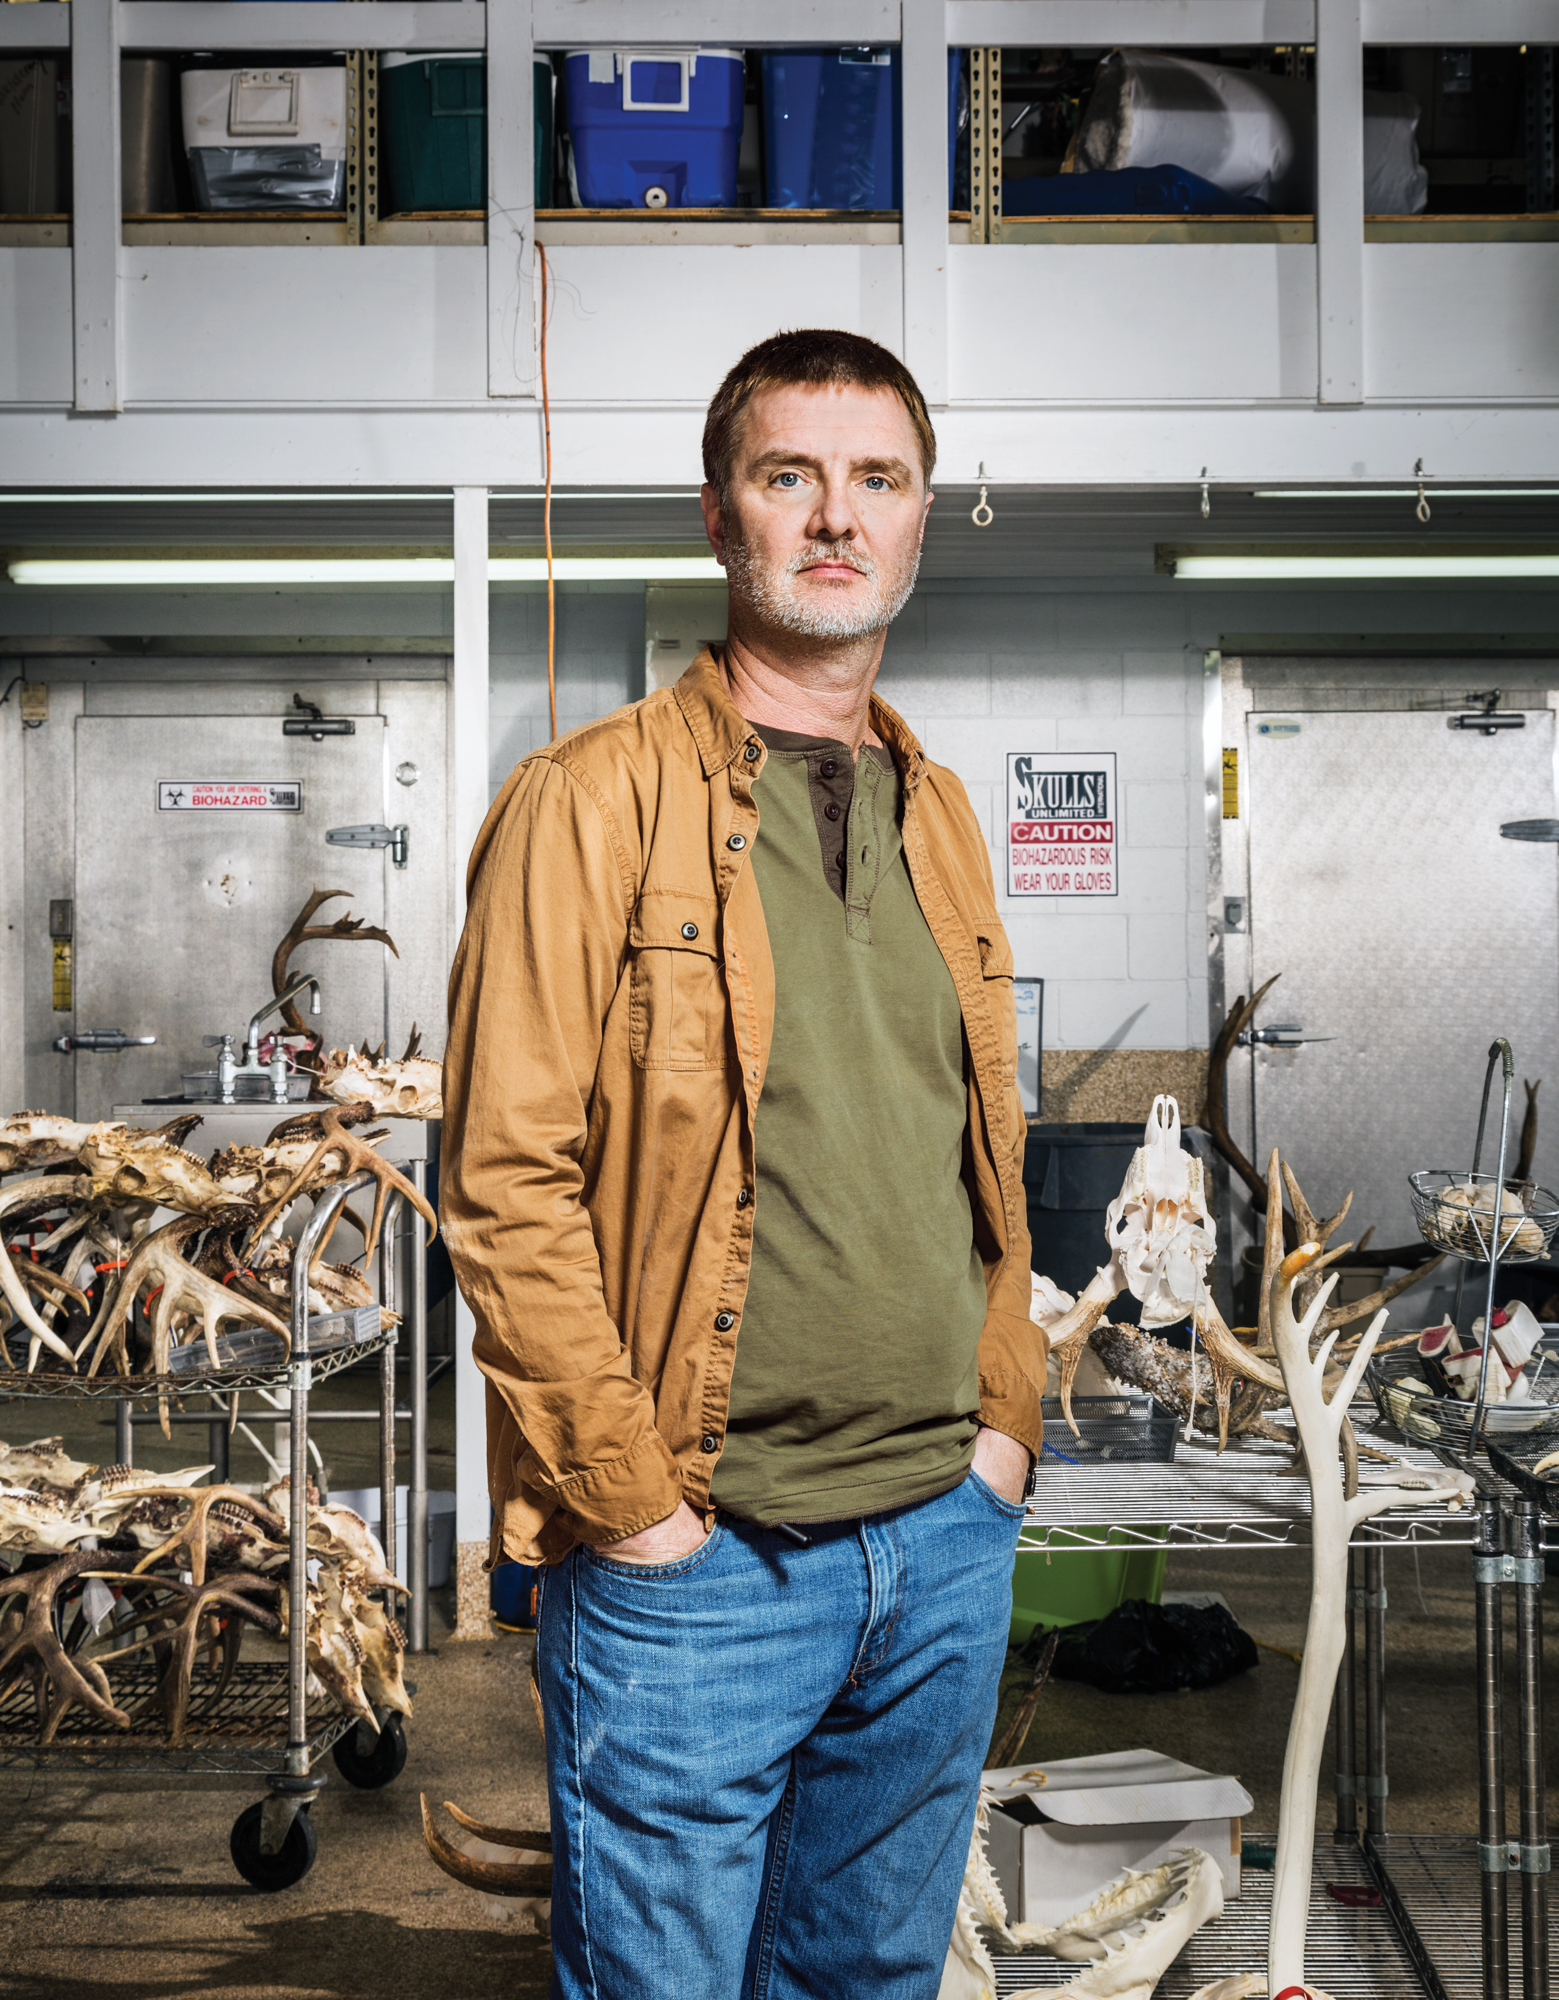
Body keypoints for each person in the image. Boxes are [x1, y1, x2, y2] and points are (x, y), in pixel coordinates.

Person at [442, 327, 1044, 2000]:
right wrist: (631, 1511)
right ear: (724, 517)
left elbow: (980, 1152)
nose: (836, 518)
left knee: (869, 1985)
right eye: (792, 478)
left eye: (879, 481)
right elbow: (504, 1183)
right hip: (700, 1562)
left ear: (922, 521)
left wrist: (1007, 1422)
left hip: (939, 1540)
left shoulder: (943, 814)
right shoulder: (587, 803)